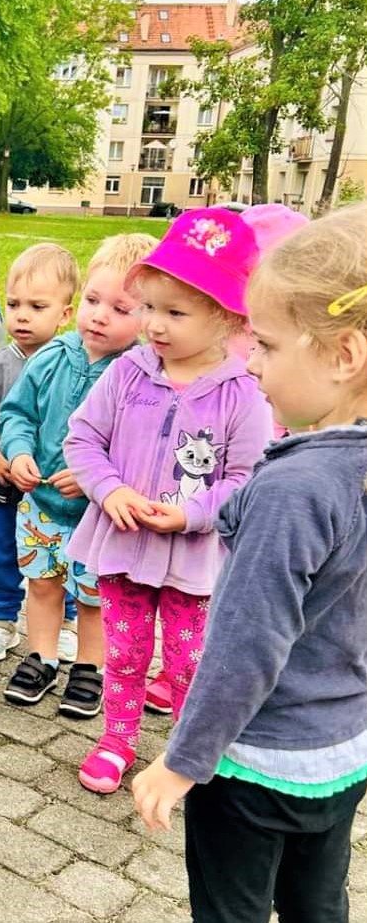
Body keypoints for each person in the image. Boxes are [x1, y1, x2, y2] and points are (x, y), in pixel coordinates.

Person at [133, 204, 367, 923]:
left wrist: (182, 759)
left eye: (264, 344)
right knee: (317, 901)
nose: (250, 362)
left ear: (343, 353)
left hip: (256, 763)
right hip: (342, 752)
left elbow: (245, 643)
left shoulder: (295, 489)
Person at [64, 208, 272, 795]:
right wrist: (110, 490)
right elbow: (83, 438)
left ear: (227, 316)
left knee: (187, 663)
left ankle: (187, 751)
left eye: (174, 313)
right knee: (124, 653)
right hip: (124, 545)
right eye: (150, 307)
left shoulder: (242, 393)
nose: (155, 324)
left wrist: (195, 513)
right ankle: (117, 738)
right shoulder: (129, 372)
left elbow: (249, 476)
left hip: (194, 561)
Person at [141, 201, 312, 717]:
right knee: (214, 573)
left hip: (279, 436)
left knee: (260, 574)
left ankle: (250, 671)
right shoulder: (215, 323)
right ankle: (183, 668)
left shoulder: (290, 317)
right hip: (217, 447)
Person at [0, 233, 158, 718]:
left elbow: (145, 449)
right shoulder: (51, 357)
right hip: (41, 505)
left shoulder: (140, 375)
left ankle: (90, 667)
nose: (99, 315)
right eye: (92, 300)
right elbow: (17, 412)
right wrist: (19, 449)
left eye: (120, 308)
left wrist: (93, 477)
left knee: (94, 598)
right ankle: (42, 657)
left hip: (100, 518)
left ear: (148, 317)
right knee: (43, 585)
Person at [0, 243, 80, 663]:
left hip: (53, 497)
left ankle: (66, 619)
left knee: (60, 558)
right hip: (1, 492)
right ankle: (1, 619)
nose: (21, 315)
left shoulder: (74, 368)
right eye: (13, 303)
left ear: (64, 313)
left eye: (37, 306)